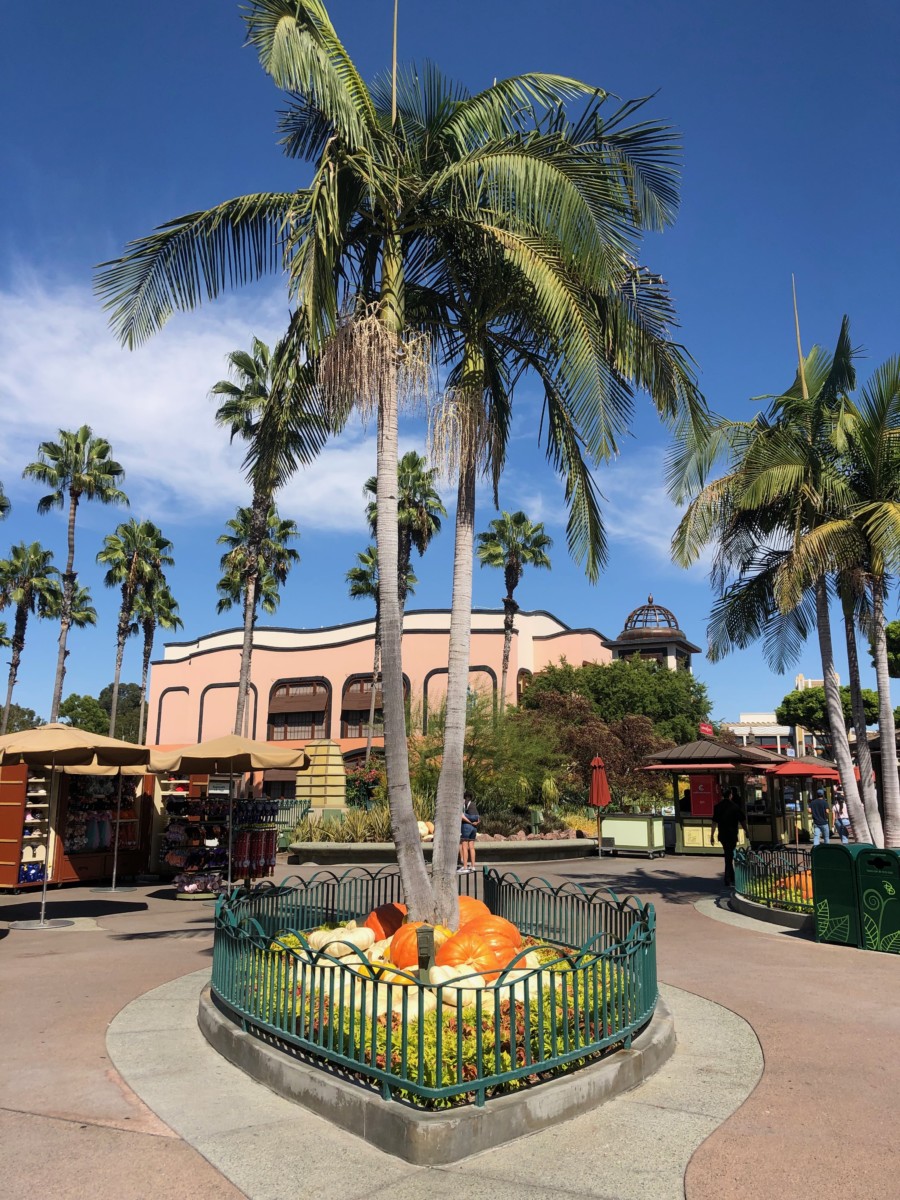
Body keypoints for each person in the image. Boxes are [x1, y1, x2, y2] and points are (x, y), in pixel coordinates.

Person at [711, 786, 749, 889]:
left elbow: (714, 822)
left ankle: (730, 877)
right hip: (732, 834)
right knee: (729, 855)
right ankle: (728, 878)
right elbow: (742, 821)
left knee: (728, 855)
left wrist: (712, 835)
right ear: (731, 795)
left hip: (722, 834)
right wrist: (746, 831)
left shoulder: (718, 806)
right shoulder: (735, 807)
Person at [458, 790, 480, 873]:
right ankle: (473, 866)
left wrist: (469, 822)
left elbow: (461, 816)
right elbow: (478, 818)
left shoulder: (464, 803)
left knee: (464, 846)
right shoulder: (473, 805)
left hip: (466, 826)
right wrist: (474, 823)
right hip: (474, 828)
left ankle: (464, 867)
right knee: (471, 847)